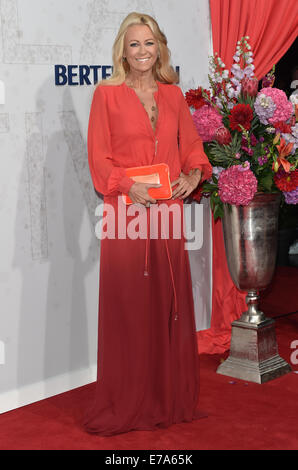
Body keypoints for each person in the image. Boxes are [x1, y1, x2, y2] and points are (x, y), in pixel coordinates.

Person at [84, 12, 212, 436]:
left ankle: (166, 398)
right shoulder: (106, 95)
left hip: (169, 215)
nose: (142, 52)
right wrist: (126, 185)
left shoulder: (173, 95)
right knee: (128, 310)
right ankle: (127, 402)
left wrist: (194, 175)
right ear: (123, 49)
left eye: (149, 43)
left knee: (167, 306)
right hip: (126, 216)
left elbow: (192, 148)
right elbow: (99, 157)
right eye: (134, 44)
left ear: (160, 48)